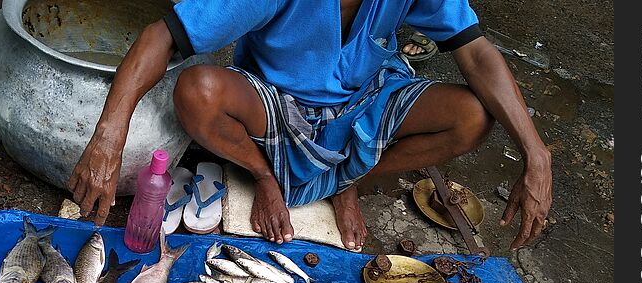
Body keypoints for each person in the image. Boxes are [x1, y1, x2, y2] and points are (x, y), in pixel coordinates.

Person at [69, 0, 552, 251]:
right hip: (279, 107)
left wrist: (536, 153)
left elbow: (476, 52)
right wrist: (110, 135)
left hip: (364, 100)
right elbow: (164, 34)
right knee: (198, 93)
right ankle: (265, 175)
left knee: (471, 117)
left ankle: (349, 182)